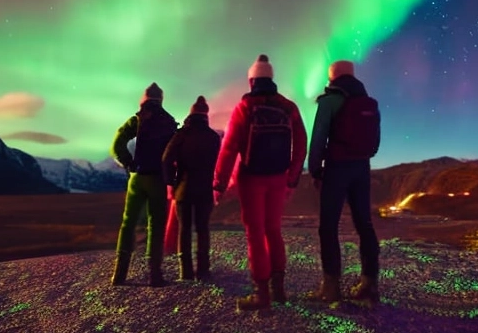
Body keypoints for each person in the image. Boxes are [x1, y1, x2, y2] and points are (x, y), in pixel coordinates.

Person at [213, 54, 307, 311]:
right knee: (273, 230)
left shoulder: (245, 108)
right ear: (271, 78)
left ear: (252, 80)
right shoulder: (289, 108)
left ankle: (261, 294)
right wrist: (292, 179)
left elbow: (229, 148)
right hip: (278, 178)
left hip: (251, 179)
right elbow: (301, 145)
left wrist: (219, 184)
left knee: (255, 234)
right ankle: (279, 290)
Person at [308, 60, 381, 303]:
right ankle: (369, 285)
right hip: (361, 168)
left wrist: (316, 170)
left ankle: (331, 288)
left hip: (337, 168)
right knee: (365, 225)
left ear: (332, 77)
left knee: (328, 227)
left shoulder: (329, 101)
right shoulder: (369, 103)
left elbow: (318, 138)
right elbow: (375, 144)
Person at [110, 82, 178, 287]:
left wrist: (128, 162)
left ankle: (119, 275)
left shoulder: (137, 119)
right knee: (156, 226)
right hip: (157, 179)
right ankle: (155, 275)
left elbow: (116, 145)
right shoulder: (169, 122)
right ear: (161, 99)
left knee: (128, 223)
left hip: (137, 177)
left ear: (144, 99)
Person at [162, 96, 221, 281]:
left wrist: (171, 181)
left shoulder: (182, 135)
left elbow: (165, 159)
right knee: (203, 229)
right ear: (206, 115)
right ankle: (203, 270)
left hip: (183, 189)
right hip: (205, 189)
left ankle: (185, 271)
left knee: (184, 229)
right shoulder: (213, 137)